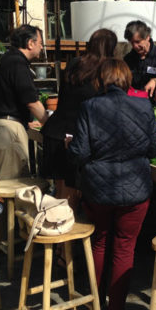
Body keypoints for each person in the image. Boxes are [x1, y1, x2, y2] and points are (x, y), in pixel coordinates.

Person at [68, 58, 156, 310]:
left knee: (99, 242)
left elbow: (80, 154)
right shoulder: (144, 105)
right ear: (126, 80)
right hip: (136, 190)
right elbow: (155, 149)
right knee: (124, 247)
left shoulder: (89, 107)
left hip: (98, 190)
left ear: (101, 80)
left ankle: (94, 305)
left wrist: (70, 146)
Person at [41, 29, 117, 209]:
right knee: (70, 197)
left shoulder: (75, 63)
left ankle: (57, 231)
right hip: (74, 137)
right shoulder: (104, 71)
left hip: (55, 131)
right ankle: (66, 235)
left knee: (60, 192)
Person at [0, 24, 48, 180]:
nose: (42, 47)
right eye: (40, 42)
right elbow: (32, 101)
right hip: (8, 131)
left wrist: (25, 121)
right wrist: (50, 123)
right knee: (12, 187)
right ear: (30, 43)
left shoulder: (8, 60)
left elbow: (9, 97)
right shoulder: (17, 63)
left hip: (2, 126)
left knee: (11, 183)